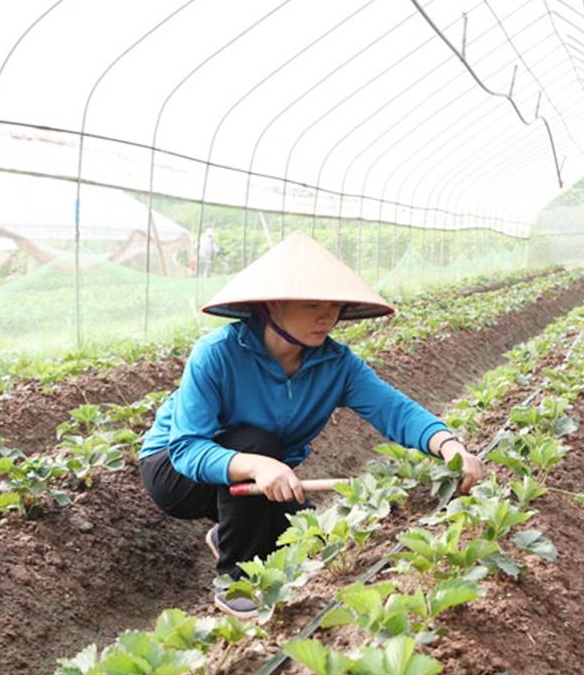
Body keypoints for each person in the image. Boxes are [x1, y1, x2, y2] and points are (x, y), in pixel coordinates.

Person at [139, 231, 485, 619]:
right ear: (273, 303)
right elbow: (186, 447)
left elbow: (396, 411)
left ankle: (232, 533)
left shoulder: (336, 364)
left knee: (307, 536)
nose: (328, 316)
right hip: (175, 471)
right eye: (313, 304)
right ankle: (237, 582)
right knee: (256, 443)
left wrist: (450, 446)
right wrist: (258, 465)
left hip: (258, 470)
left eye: (335, 305)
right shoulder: (218, 354)